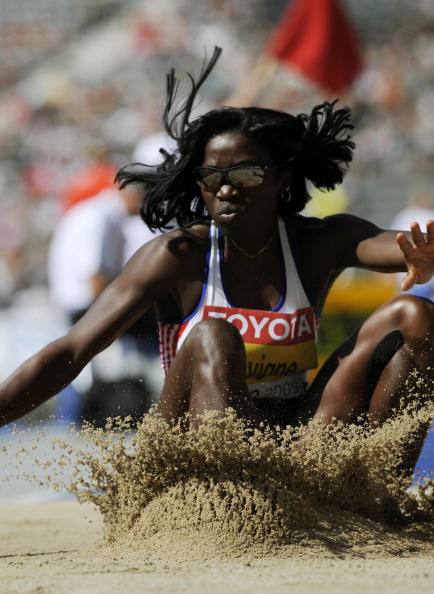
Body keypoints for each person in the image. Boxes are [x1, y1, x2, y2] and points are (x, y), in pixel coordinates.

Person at [1, 47, 433, 430]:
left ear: (282, 180)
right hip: (195, 451)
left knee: (413, 312)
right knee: (213, 335)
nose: (225, 189)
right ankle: (219, 513)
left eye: (244, 173)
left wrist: (424, 254)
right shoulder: (176, 256)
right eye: (212, 176)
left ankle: (375, 494)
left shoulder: (319, 241)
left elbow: (400, 244)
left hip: (296, 440)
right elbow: (71, 351)